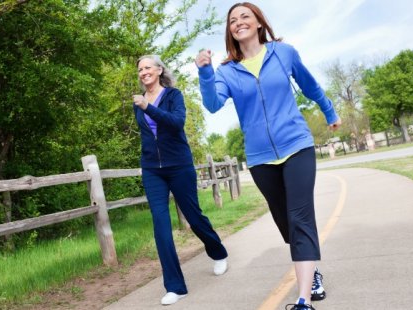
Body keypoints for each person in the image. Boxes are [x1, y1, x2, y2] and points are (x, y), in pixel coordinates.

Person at [195, 3, 341, 310]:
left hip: (296, 145)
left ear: (260, 23)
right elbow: (212, 104)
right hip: (261, 158)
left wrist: (329, 111)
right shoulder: (226, 72)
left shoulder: (283, 53)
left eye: (245, 16)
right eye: (233, 20)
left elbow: (309, 85)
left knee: (300, 217)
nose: (239, 22)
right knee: (284, 219)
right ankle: (310, 266)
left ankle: (303, 298)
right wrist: (205, 73)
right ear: (230, 31)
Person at [133, 55, 229, 306]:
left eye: (147, 67)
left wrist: (147, 107)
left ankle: (218, 252)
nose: (143, 72)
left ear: (159, 70)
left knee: (194, 217)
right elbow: (147, 137)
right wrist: (145, 163)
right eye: (140, 69)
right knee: (161, 226)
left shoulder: (173, 95)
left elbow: (177, 124)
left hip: (179, 166)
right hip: (153, 170)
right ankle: (175, 286)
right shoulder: (138, 102)